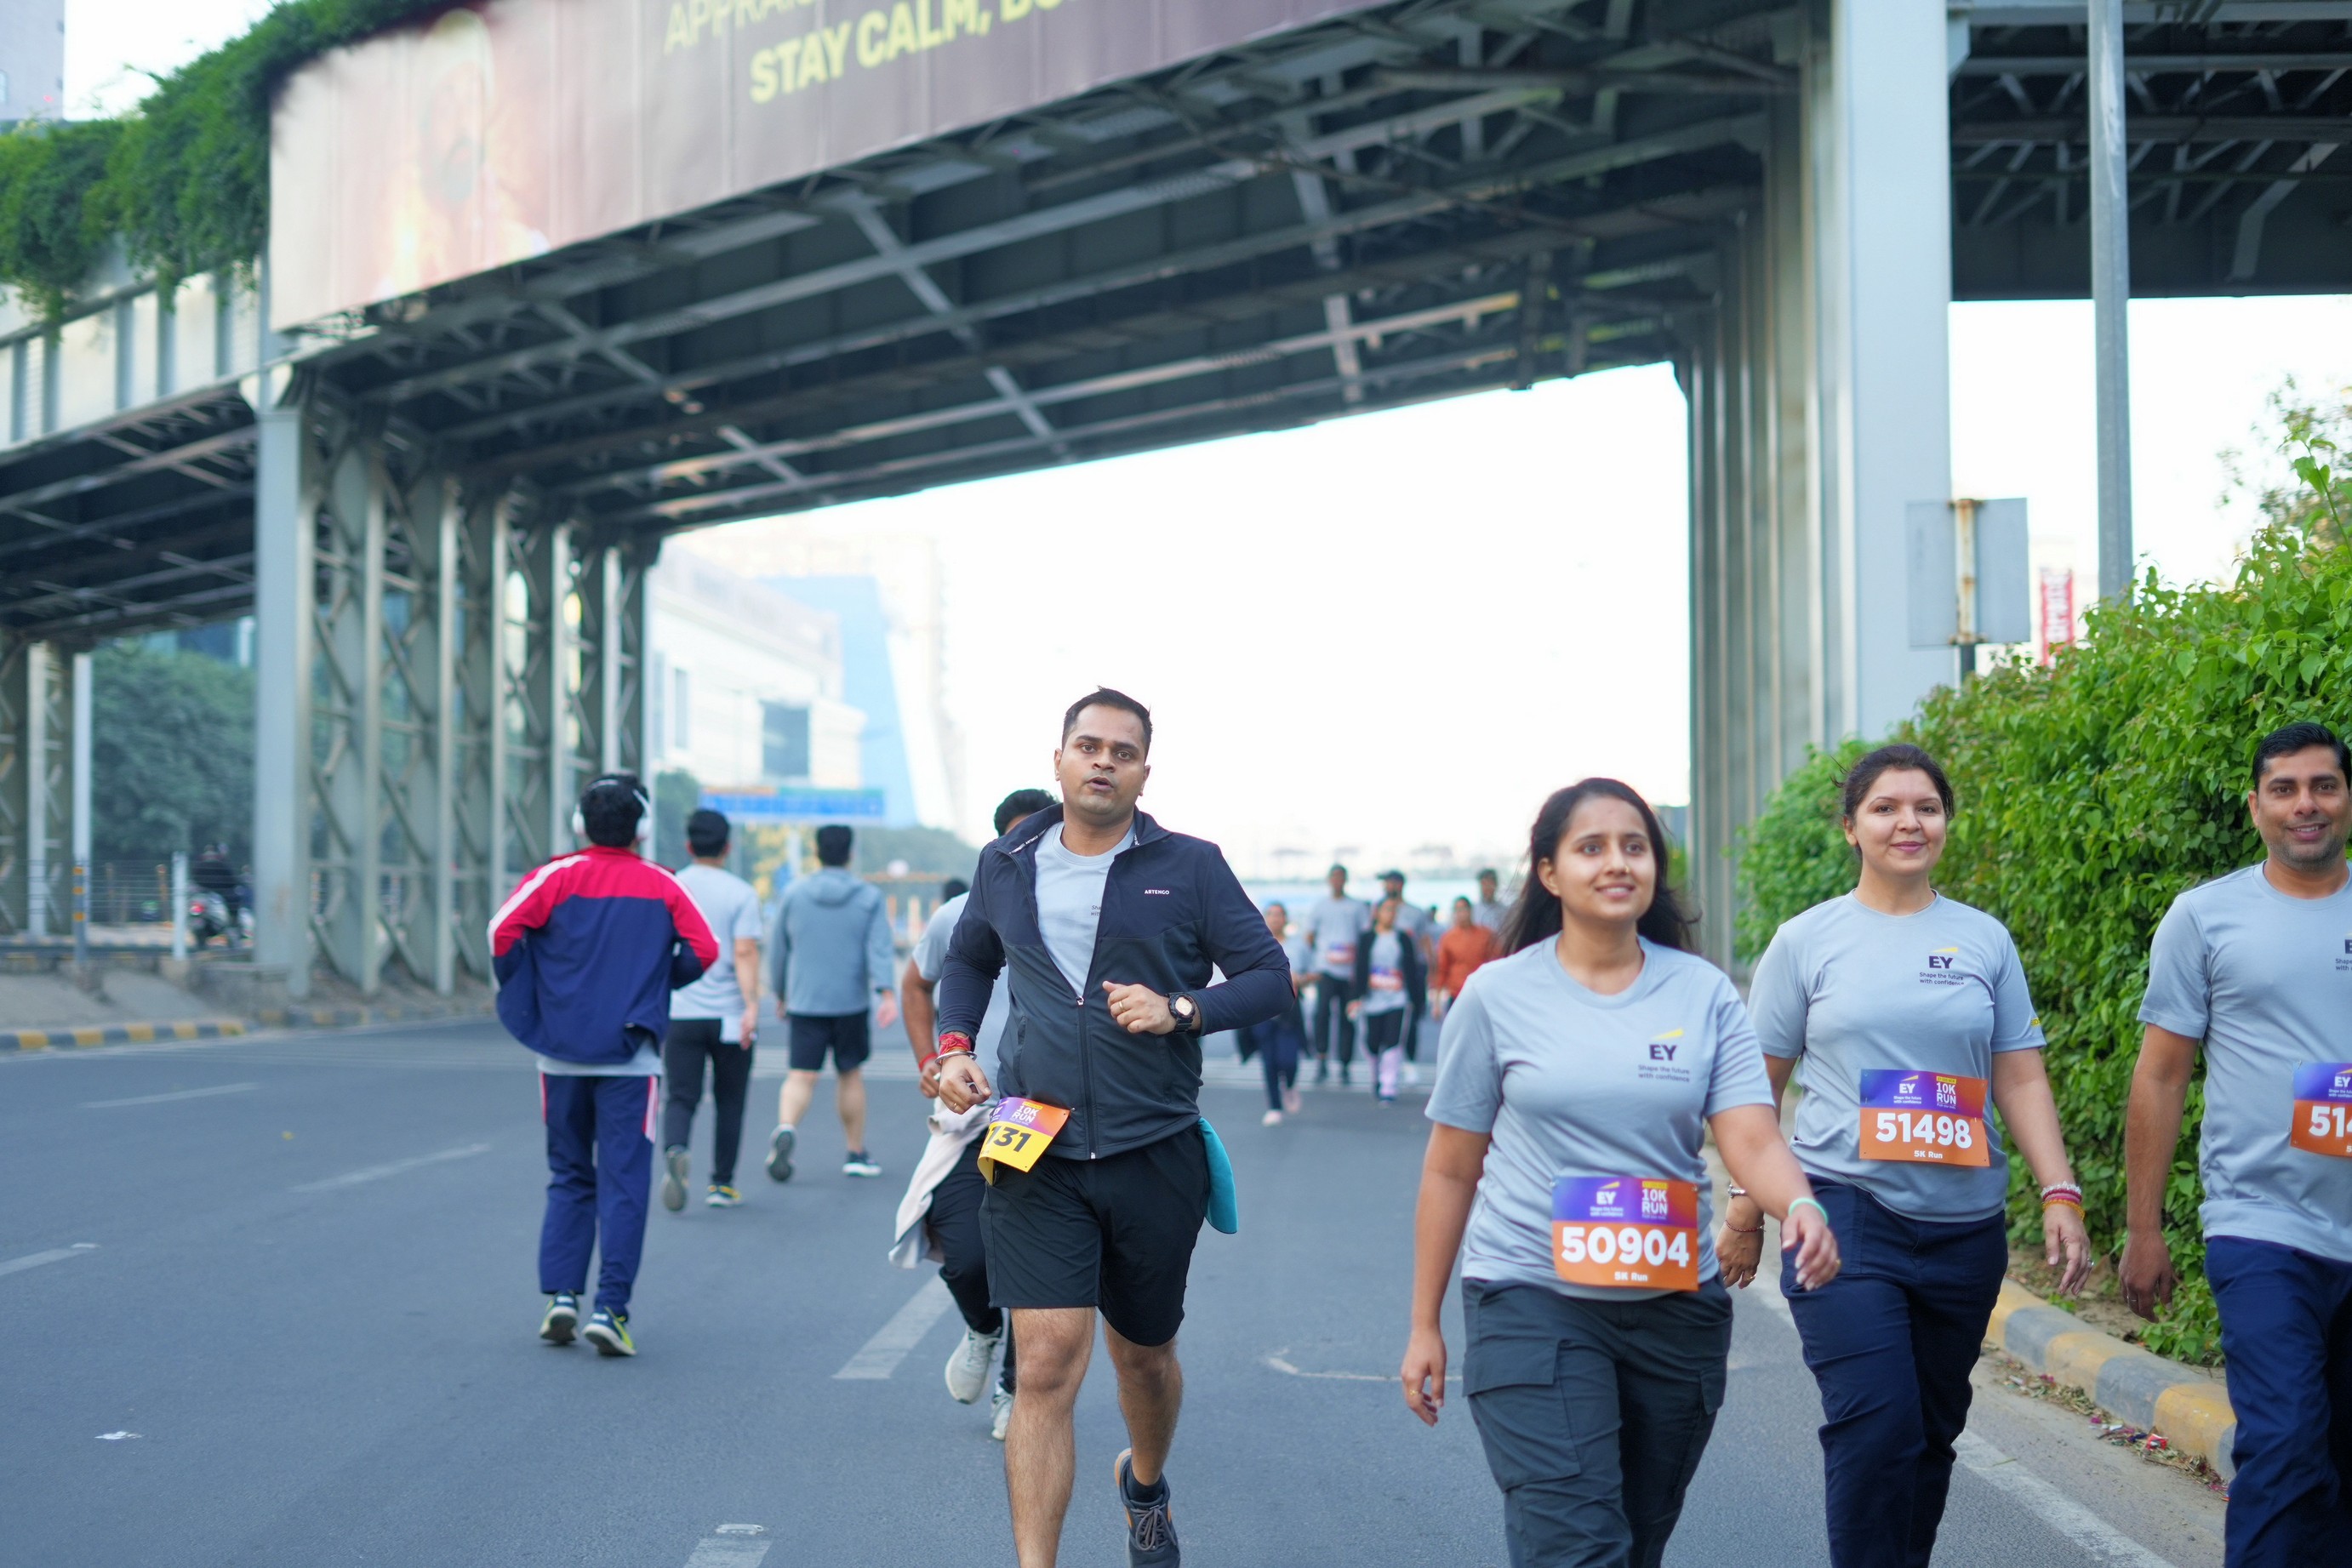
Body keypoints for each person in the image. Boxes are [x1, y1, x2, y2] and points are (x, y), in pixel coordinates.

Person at [1402, 778, 1838, 1568]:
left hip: (1675, 1308)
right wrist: (1424, 1322)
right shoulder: (1497, 996)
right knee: (1577, 1545)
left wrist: (1800, 1204)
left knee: (1634, 1543)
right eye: (1591, 847)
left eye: (1634, 846)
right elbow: (1451, 1169)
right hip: (1531, 1299)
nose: (1617, 862)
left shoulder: (1701, 992)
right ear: (1549, 871)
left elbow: (1751, 1136)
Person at [934, 688, 1291, 1568]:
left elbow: (1268, 977)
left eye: (1121, 751)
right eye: (1087, 746)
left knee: (1145, 1358)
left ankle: (1145, 1483)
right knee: (1046, 1363)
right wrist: (953, 1046)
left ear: (1143, 771)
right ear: (1058, 759)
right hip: (1034, 1143)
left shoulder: (1191, 865)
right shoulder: (1006, 860)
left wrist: (1182, 1009)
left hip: (1152, 1147)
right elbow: (969, 958)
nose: (1102, 761)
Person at [1721, 743, 2090, 1568]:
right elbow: (1754, 1093)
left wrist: (2059, 1191)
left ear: (1946, 822)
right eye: (1885, 807)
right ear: (1851, 827)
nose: (1908, 822)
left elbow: (2020, 1074)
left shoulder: (1983, 940)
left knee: (1928, 1431)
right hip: (1844, 1213)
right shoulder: (1806, 941)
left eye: (1926, 806)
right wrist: (1748, 1207)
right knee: (1876, 1422)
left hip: (1966, 1229)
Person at [2123, 721, 2352, 1568]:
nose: (2305, 805)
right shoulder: (2205, 917)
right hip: (2262, 1225)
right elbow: (2160, 1076)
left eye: (2323, 785)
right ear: (2255, 806)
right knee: (2286, 1440)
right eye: (2284, 789)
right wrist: (2142, 1228)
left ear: (2348, 798)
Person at [489, 773, 718, 1358]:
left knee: (569, 1174)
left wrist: (537, 993)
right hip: (631, 1059)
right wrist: (655, 983)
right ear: (642, 828)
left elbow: (501, 931)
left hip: (560, 1055)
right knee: (624, 1184)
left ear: (580, 824)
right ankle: (610, 1309)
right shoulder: (662, 883)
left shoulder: (554, 876)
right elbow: (705, 949)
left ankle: (562, 1298)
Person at [894, 787, 1057, 1443]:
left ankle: (1015, 1386)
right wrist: (929, 1058)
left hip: (1044, 1114)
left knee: (1032, 1259)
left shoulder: (1082, 914)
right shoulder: (959, 913)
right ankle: (983, 1328)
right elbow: (917, 983)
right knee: (964, 1254)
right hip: (972, 1111)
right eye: (1016, 841)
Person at [767, 823, 900, 1182]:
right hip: (850, 1002)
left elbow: (779, 950)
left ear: (817, 852)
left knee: (800, 1075)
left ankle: (786, 1127)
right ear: (850, 854)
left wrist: (780, 993)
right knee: (850, 1074)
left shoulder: (794, 894)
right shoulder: (868, 897)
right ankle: (855, 1153)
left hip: (804, 1000)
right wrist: (886, 993)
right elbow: (879, 948)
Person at [659, 809, 767, 1212]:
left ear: (688, 845)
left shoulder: (671, 886)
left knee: (681, 1096)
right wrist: (752, 1006)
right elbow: (744, 951)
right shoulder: (741, 892)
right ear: (728, 848)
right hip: (729, 1016)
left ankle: (676, 1148)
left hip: (681, 1011)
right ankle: (721, 1185)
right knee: (730, 1100)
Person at [1236, 902, 1310, 1125]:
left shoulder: (1298, 946)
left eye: (1279, 915)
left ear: (1286, 919)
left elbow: (1314, 972)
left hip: (1289, 1010)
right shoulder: (1254, 945)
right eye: (1271, 914)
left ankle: (1290, 1084)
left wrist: (1299, 979)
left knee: (1289, 1059)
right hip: (1262, 1010)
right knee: (1269, 1061)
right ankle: (1275, 1107)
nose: (1275, 918)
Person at [1350, 896, 1425, 1103]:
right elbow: (1359, 968)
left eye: (1394, 911)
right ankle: (1376, 1076)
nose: (1391, 915)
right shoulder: (1367, 938)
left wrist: (1416, 999)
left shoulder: (1403, 938)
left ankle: (1389, 1085)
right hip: (1372, 999)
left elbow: (1412, 969)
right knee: (1372, 1042)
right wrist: (1355, 997)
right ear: (1377, 913)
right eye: (1387, 910)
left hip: (1397, 998)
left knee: (1393, 1041)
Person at [1303, 864, 1370, 1085]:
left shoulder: (1357, 907)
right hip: (1326, 970)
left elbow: (1365, 938)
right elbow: (1309, 936)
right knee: (1321, 1014)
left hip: (1349, 973)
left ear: (1346, 880)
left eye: (1341, 877)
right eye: (1334, 877)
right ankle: (1321, 1059)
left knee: (1347, 1018)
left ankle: (1345, 1064)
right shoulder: (1320, 906)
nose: (1337, 881)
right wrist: (1318, 959)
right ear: (1329, 880)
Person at [1379, 870, 1436, 1083]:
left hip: (1411, 972)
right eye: (1386, 883)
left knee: (1411, 1020)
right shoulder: (1377, 909)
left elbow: (1425, 941)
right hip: (1384, 974)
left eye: (1391, 883)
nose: (1387, 887)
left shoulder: (1415, 913)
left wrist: (1431, 970)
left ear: (1400, 885)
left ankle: (1410, 1062)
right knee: (1383, 1020)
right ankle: (1386, 1064)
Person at [1432, 896, 1498, 1026]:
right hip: (1457, 994)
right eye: (1457, 910)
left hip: (1480, 994)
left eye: (1464, 909)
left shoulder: (1485, 935)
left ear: (1470, 911)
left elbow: (1496, 964)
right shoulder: (1448, 938)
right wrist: (1437, 1003)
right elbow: (1442, 970)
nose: (1461, 914)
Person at [1471, 868, 1508, 938]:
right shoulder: (1473, 910)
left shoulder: (1504, 911)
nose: (1487, 888)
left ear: (1496, 885)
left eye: (1490, 884)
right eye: (1484, 884)